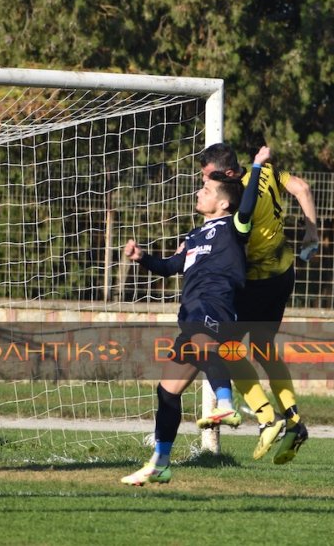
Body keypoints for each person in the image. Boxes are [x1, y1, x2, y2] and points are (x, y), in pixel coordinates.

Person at [119, 146, 269, 486]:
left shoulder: (234, 226)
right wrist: (142, 257)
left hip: (215, 308)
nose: (199, 192)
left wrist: (257, 166)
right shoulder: (193, 236)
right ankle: (161, 461)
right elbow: (171, 267)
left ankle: (226, 403)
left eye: (207, 190)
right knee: (167, 390)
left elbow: (246, 204)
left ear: (224, 203)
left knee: (205, 344)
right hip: (191, 315)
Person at [198, 142, 319, 464]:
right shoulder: (267, 171)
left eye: (208, 180)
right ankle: (293, 421)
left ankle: (267, 418)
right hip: (283, 273)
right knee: (264, 349)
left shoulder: (237, 198)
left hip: (254, 281)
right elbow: (302, 188)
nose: (204, 185)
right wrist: (312, 231)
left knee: (226, 349)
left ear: (225, 174)